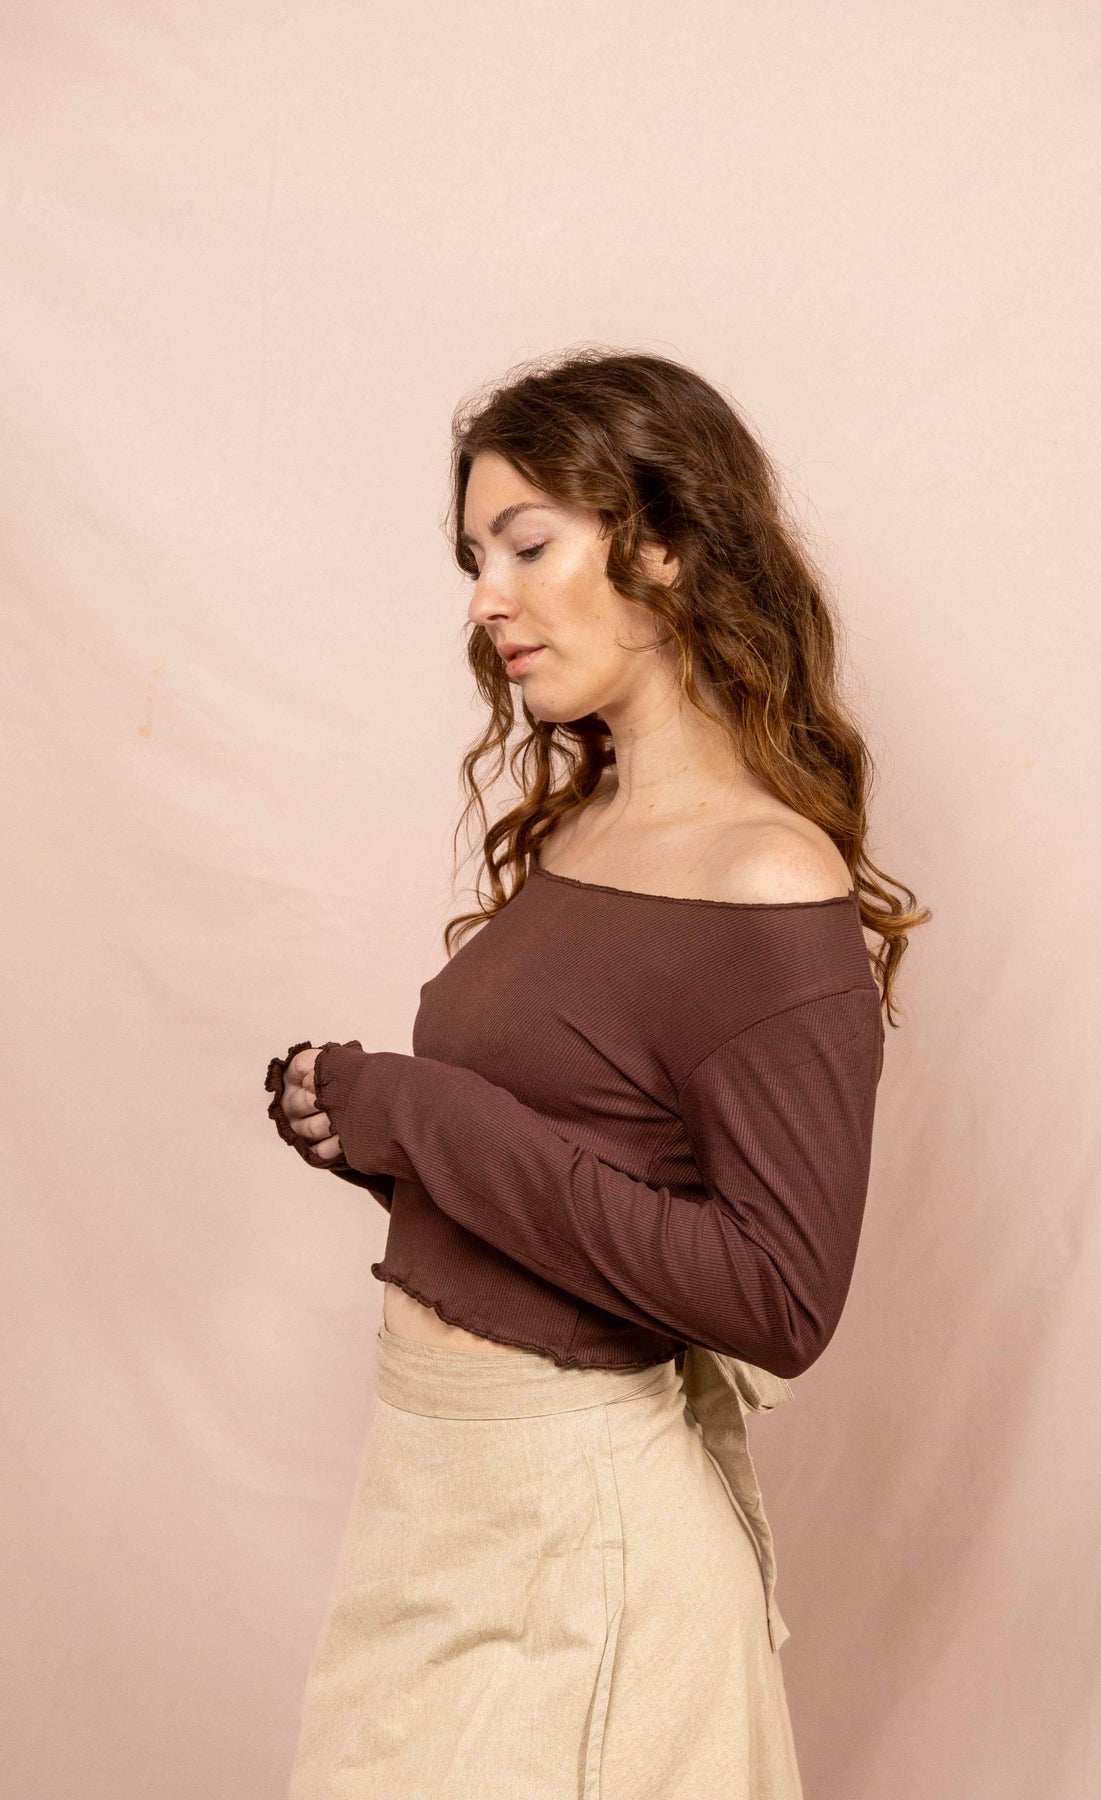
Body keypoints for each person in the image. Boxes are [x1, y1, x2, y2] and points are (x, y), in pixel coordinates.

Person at [264, 347, 930, 1798]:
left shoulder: (769, 881)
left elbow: (778, 1299)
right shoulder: (581, 834)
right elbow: (584, 1158)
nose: (485, 598)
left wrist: (421, 1114)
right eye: (475, 560)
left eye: (527, 544)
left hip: (582, 1540)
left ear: (666, 544)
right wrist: (375, 1138)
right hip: (435, 1505)